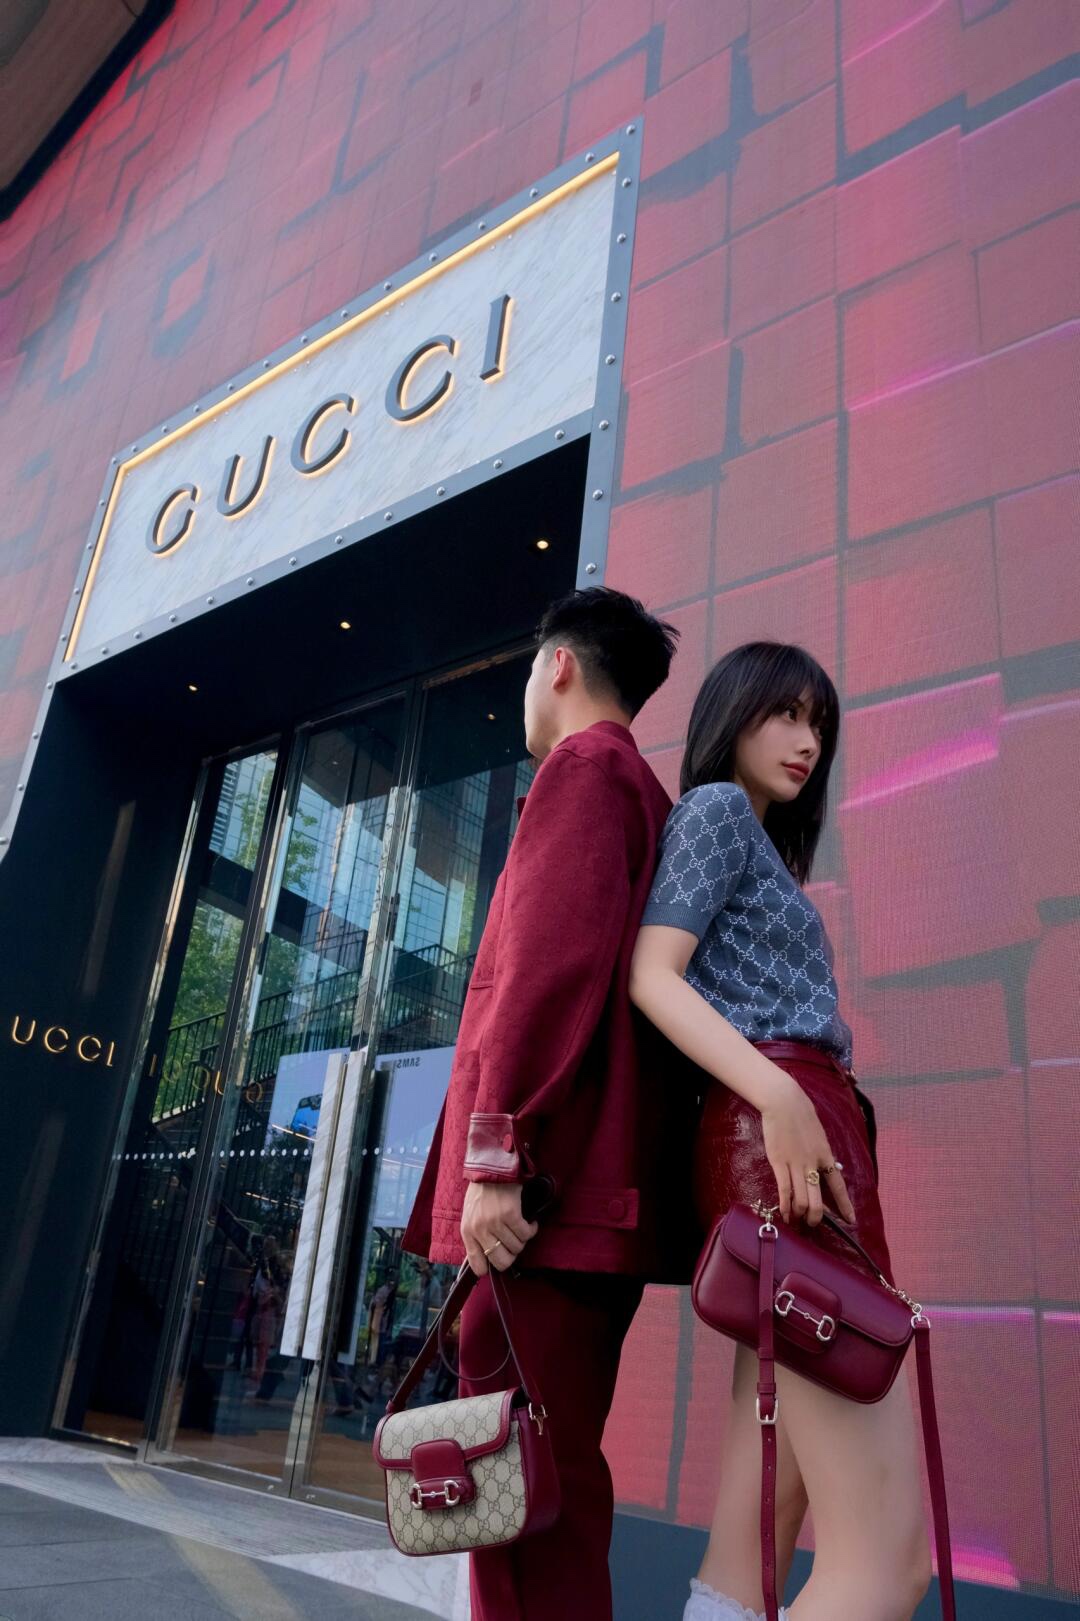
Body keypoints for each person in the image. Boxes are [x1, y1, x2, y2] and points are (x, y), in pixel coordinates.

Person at [402, 587, 703, 1621]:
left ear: (559, 664)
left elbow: (545, 974)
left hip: (539, 1206)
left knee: (517, 1504)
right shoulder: (640, 791)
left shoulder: (584, 771)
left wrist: (496, 1155)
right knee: (546, 1486)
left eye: (532, 666)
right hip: (577, 1206)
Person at [629, 642, 933, 1621]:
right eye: (786, 714)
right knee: (886, 1563)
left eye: (819, 725)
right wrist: (783, 1097)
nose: (807, 741)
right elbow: (651, 973)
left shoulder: (754, 841)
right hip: (783, 1136)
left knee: (751, 1541)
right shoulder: (718, 810)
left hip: (798, 1134)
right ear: (734, 713)